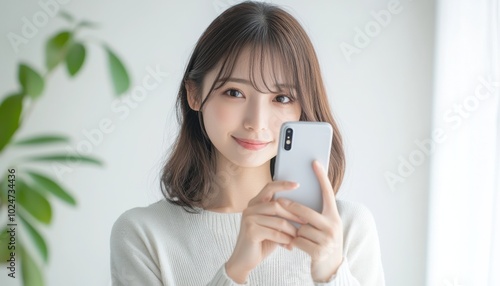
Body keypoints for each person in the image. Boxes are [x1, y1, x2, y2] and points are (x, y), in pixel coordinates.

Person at [110, 1, 385, 285]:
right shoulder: (142, 234)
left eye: (281, 98)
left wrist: (331, 273)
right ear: (194, 95)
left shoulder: (347, 228)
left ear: (302, 108)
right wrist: (235, 271)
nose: (256, 121)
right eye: (234, 92)